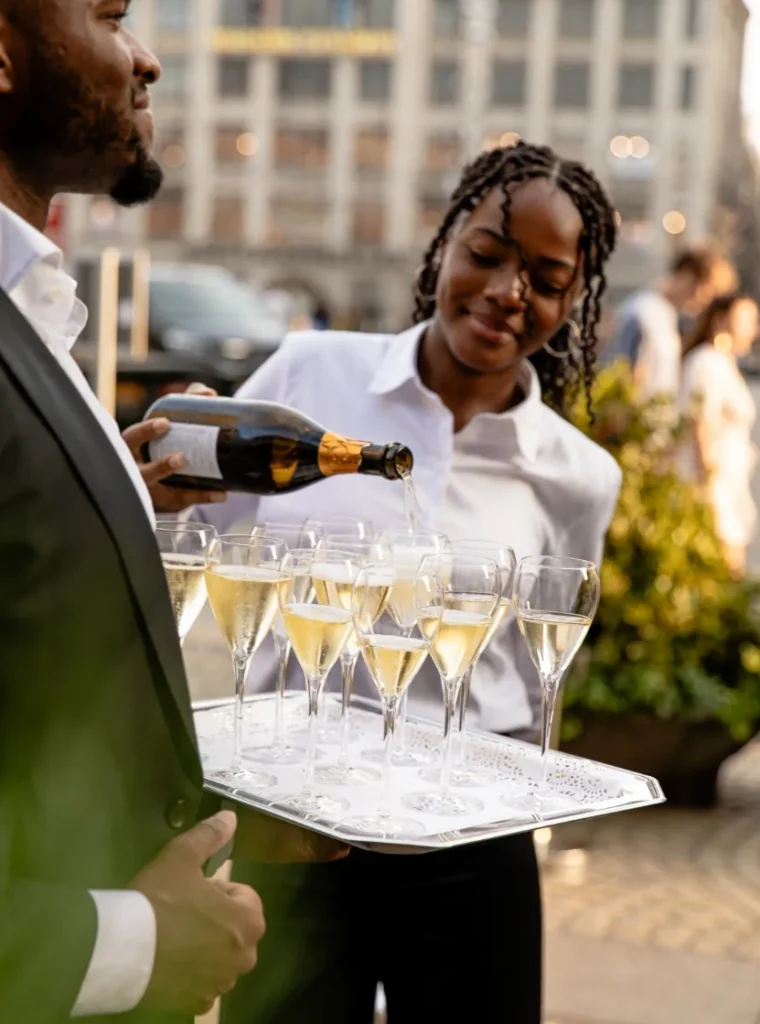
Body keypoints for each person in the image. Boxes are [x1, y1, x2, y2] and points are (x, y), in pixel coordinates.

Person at [194, 140, 623, 1024]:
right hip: (301, 818)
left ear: (573, 302)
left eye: (546, 278)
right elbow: (206, 539)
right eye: (489, 255)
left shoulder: (579, 475)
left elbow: (547, 657)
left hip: (475, 830)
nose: (509, 292)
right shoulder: (313, 377)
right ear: (446, 243)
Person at [0, 3, 344, 1021]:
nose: (145, 56)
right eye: (108, 14)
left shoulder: (34, 307)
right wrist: (125, 943)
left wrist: (104, 506)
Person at [679, 294, 759, 576]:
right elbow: (700, 425)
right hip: (714, 491)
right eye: (747, 320)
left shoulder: (723, 363)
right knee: (724, 576)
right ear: (722, 319)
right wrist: (709, 495)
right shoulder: (707, 362)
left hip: (730, 488)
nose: (754, 329)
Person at [604, 246, 736, 400]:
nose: (706, 303)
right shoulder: (642, 311)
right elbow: (622, 375)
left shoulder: (667, 315)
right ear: (688, 276)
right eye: (708, 291)